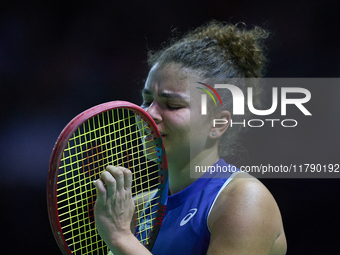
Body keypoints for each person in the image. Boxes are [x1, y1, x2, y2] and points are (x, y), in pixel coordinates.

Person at [93, 21, 287, 255]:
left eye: (172, 105)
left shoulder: (243, 200)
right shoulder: (137, 208)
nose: (149, 114)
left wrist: (121, 237)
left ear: (218, 124)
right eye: (146, 101)